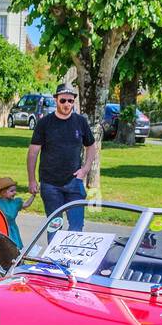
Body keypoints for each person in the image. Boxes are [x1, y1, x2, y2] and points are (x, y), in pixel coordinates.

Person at [27, 83, 97, 229]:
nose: (67, 104)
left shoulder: (80, 122)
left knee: (77, 227)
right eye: (63, 100)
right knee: (54, 226)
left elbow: (91, 146)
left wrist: (85, 169)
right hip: (50, 184)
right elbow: (33, 152)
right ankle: (53, 252)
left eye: (70, 101)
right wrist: (32, 180)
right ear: (56, 100)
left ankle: (71, 253)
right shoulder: (45, 123)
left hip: (74, 182)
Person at [0, 176, 35, 247]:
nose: (15, 193)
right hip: (0, 228)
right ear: (3, 192)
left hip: (12, 229)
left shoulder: (15, 203)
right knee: (1, 246)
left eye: (15, 190)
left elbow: (26, 204)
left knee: (13, 246)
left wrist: (33, 195)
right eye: (12, 191)